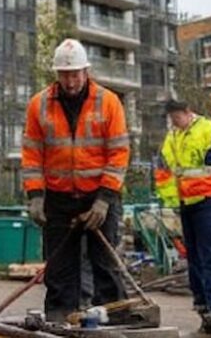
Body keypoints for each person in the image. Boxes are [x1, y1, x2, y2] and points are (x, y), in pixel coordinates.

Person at [21, 39, 130, 323]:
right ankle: (60, 318)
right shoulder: (39, 104)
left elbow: (118, 153)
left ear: (86, 71)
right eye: (64, 74)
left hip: (99, 196)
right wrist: (35, 196)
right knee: (59, 266)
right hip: (58, 198)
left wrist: (105, 200)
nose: (70, 81)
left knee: (105, 264)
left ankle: (114, 317)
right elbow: (32, 154)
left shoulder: (108, 102)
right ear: (56, 74)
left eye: (75, 74)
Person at [160, 99, 211, 335]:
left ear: (188, 112)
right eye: (171, 119)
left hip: (208, 201)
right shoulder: (171, 138)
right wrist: (173, 201)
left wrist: (187, 178)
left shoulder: (207, 129)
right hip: (187, 204)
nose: (175, 122)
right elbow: (164, 173)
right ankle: (204, 308)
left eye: (177, 118)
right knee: (195, 259)